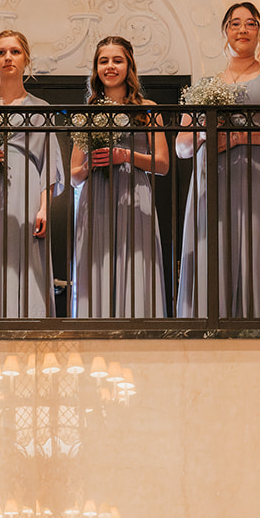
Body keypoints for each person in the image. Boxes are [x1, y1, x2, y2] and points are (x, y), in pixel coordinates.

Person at [176, 2, 260, 317]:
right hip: (213, 181)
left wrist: (237, 137)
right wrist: (207, 135)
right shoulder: (205, 85)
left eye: (250, 23)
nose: (242, 29)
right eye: (235, 24)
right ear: (225, 32)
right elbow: (181, 146)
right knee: (216, 249)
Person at [0, 31, 64, 318]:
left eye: (15, 52)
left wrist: (44, 207)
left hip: (27, 189)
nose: (8, 57)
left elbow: (48, 163)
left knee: (27, 257)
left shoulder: (41, 109)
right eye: (1, 52)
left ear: (26, 58)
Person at [69, 36, 170, 318]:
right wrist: (90, 166)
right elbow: (73, 175)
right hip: (96, 197)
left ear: (129, 66)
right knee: (95, 265)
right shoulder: (89, 114)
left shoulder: (147, 109)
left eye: (117, 60)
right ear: (96, 69)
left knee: (136, 264)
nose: (110, 66)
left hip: (135, 195)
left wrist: (124, 156)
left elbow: (162, 164)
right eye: (104, 61)